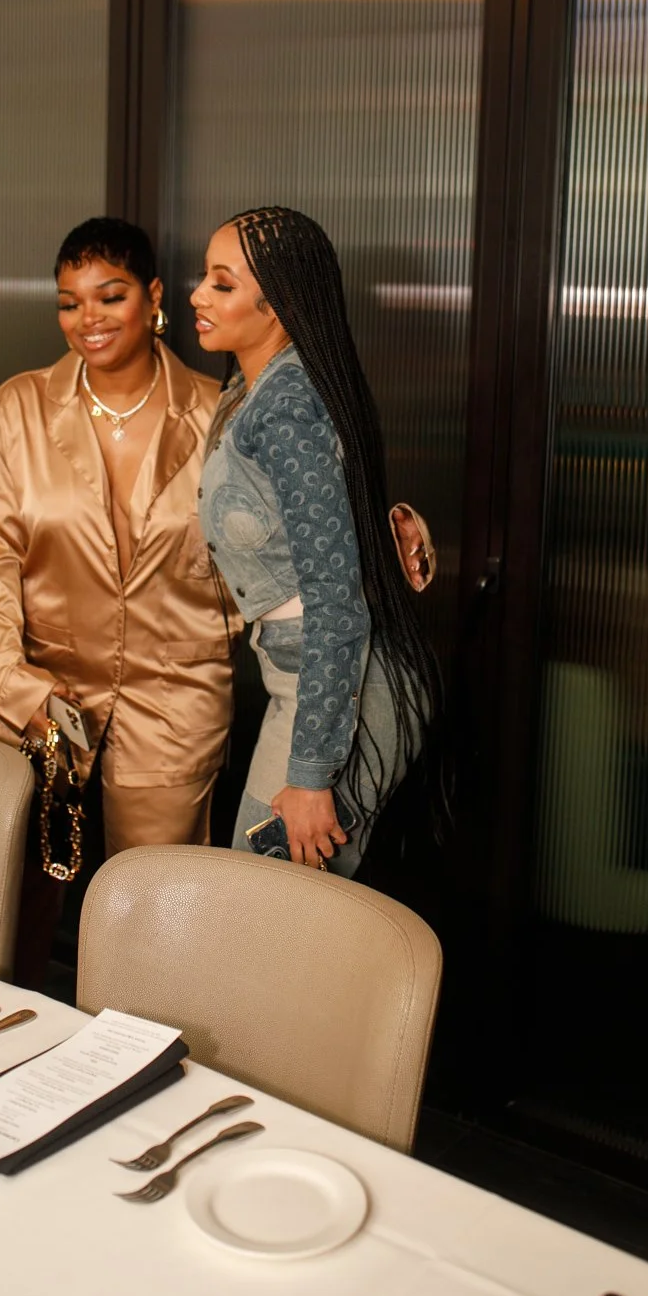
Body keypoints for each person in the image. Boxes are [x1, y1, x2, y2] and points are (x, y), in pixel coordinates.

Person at [0, 215, 430, 971]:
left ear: (150, 298)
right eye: (69, 302)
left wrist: (386, 538)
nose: (87, 319)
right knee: (5, 908)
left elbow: (294, 552)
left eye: (109, 296)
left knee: (172, 929)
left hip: (177, 699)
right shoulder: (23, 407)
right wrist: (9, 679)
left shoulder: (230, 404)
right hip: (43, 697)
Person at [191, 206, 444, 874]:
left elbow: (334, 597)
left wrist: (310, 776)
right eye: (205, 277)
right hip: (305, 679)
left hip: (339, 689)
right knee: (273, 901)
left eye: (222, 283)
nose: (197, 295)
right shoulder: (257, 386)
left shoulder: (286, 406)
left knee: (272, 907)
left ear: (276, 305)